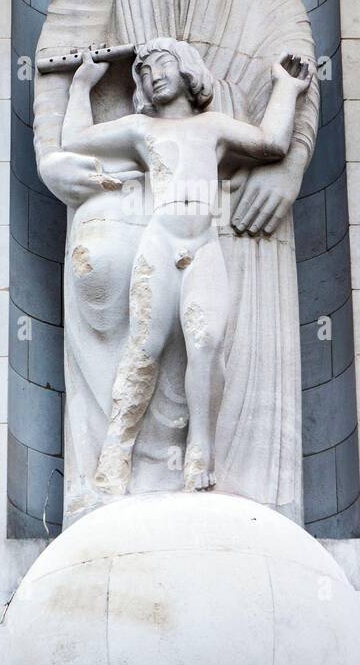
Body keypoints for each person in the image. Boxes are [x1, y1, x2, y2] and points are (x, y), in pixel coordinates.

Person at [61, 37, 312, 494]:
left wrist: (286, 88)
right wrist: (82, 86)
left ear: (187, 69)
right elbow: (75, 143)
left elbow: (273, 143)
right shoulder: (141, 129)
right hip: (160, 242)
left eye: (161, 64)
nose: (152, 75)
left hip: (203, 245)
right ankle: (117, 450)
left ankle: (201, 451)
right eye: (143, 71)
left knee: (207, 341)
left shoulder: (212, 126)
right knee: (144, 346)